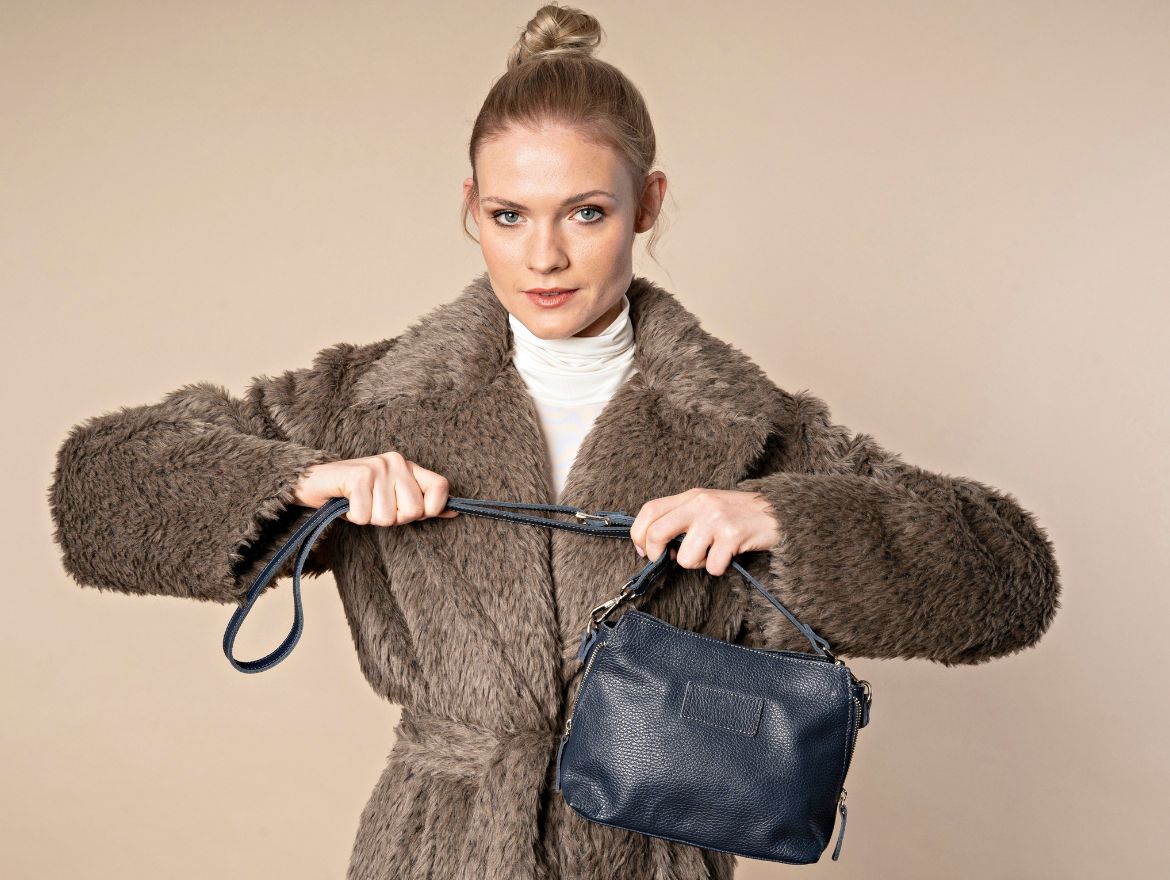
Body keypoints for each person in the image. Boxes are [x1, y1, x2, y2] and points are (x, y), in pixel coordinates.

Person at [46, 4, 1062, 879]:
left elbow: (1009, 578)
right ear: (470, 211)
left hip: (653, 853)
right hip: (434, 849)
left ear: (646, 204)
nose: (543, 256)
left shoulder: (755, 430)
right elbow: (99, 489)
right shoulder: (366, 402)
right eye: (508, 214)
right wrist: (309, 479)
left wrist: (782, 518)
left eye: (584, 212)